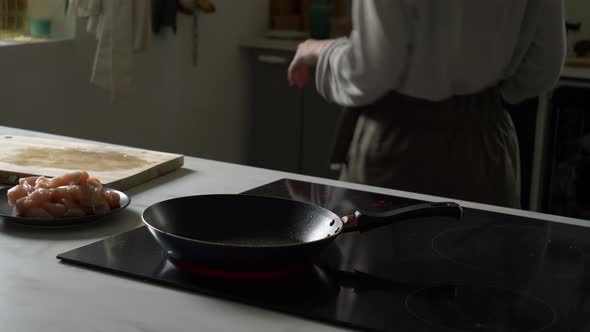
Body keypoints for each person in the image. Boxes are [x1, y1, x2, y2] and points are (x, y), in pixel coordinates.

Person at [287, 0, 565, 209]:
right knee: (482, 280)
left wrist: (321, 51)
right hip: (488, 144)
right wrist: (480, 100)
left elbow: (371, 70)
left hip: (399, 149)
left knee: (382, 281)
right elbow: (544, 64)